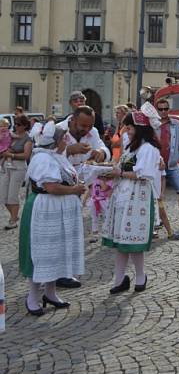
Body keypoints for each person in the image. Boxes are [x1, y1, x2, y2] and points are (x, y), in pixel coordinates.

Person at [18, 120, 86, 316]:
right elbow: (51, 187)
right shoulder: (43, 159)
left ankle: (50, 293)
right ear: (55, 142)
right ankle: (32, 296)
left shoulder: (55, 156)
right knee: (41, 253)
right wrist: (74, 189)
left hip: (56, 209)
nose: (66, 140)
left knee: (56, 251)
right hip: (44, 209)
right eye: (63, 138)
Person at [103, 112, 161, 293]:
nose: (126, 131)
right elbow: (121, 167)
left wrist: (118, 174)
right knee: (121, 239)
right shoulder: (130, 147)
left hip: (138, 198)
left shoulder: (148, 149)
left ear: (140, 129)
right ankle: (120, 279)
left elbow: (142, 174)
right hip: (123, 195)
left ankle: (140, 275)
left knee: (133, 240)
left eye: (129, 127)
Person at [55, 105, 109, 289]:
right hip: (58, 185)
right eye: (83, 126)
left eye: (90, 126)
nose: (86, 130)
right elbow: (42, 154)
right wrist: (70, 150)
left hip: (79, 184)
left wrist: (101, 153)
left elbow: (102, 146)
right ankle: (56, 272)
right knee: (58, 230)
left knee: (72, 229)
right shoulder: (59, 130)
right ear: (73, 120)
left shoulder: (92, 131)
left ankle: (67, 272)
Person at [154, 98, 179, 230]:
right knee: (157, 195)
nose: (163, 112)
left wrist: (178, 157)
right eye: (160, 109)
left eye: (166, 109)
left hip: (172, 165)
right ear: (156, 110)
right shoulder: (152, 124)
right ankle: (157, 221)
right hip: (156, 167)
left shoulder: (176, 124)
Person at [1, 115, 33, 230]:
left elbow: (26, 155)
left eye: (18, 124)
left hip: (18, 168)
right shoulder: (11, 136)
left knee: (12, 195)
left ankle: (13, 220)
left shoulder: (28, 139)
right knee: (3, 196)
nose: (16, 126)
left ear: (25, 126)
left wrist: (11, 155)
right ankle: (14, 215)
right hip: (6, 167)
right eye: (15, 124)